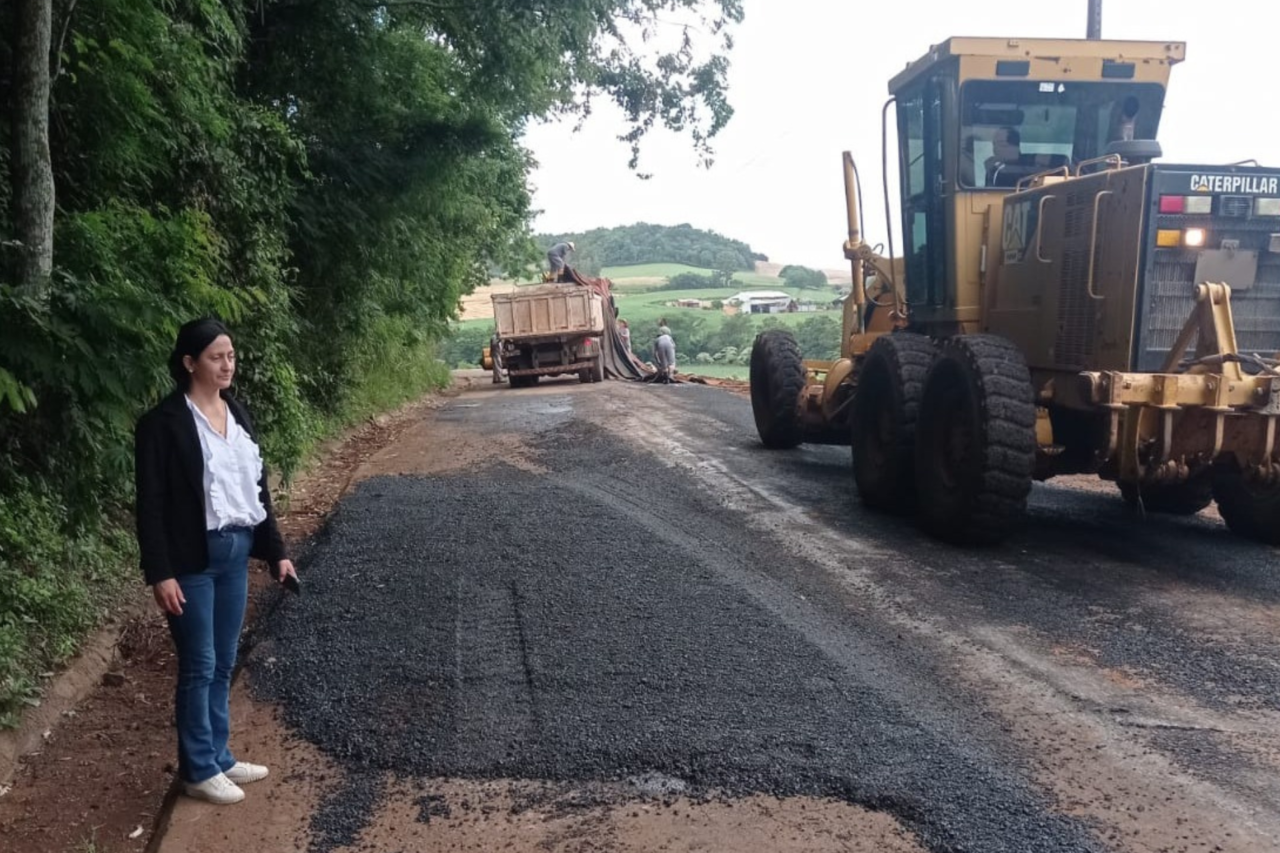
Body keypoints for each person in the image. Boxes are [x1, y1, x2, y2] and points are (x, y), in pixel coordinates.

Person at [134, 318, 298, 806]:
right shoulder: (161, 425)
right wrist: (159, 571)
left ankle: (219, 756)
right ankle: (198, 769)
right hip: (190, 561)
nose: (227, 365)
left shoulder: (238, 413)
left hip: (236, 551)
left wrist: (277, 552)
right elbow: (151, 504)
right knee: (199, 664)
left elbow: (257, 489)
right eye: (215, 357)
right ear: (189, 363)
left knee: (224, 660)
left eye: (230, 356)